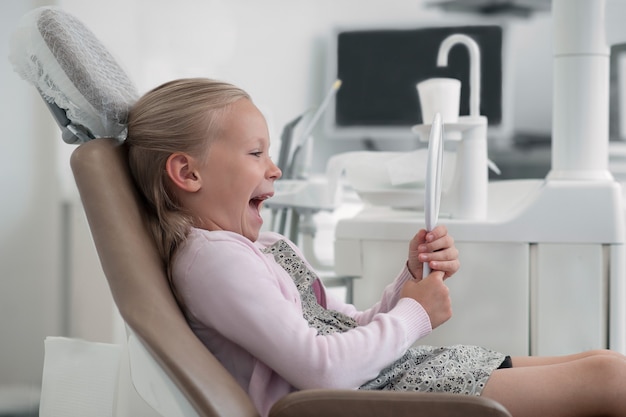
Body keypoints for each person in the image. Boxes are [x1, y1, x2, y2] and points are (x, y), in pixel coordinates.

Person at [125, 77, 626, 417]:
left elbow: (346, 327)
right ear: (187, 172)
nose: (274, 169)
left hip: (389, 375)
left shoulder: (259, 247)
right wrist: (413, 315)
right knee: (605, 380)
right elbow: (324, 370)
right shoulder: (212, 261)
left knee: (602, 361)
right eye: (256, 153)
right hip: (365, 397)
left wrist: (409, 280)